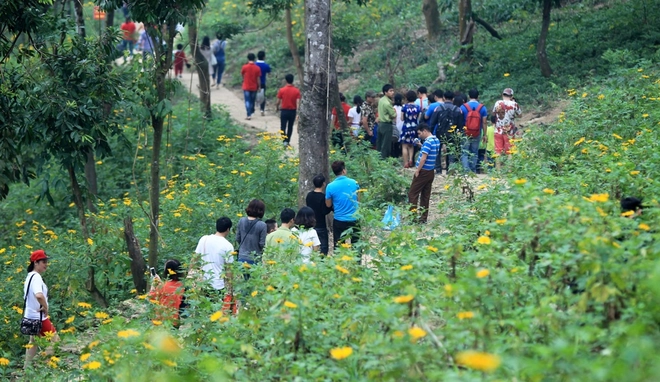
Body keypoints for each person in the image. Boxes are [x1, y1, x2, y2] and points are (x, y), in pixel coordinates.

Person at [23, 250, 59, 368]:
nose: (46, 264)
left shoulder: (29, 277)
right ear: (35, 262)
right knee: (55, 341)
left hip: (29, 316)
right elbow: (39, 295)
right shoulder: (37, 277)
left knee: (33, 342)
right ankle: (45, 366)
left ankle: (26, 369)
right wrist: (45, 307)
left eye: (46, 261)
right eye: (43, 261)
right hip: (39, 317)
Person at [194, 217, 234, 295]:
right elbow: (229, 270)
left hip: (204, 283)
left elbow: (194, 258)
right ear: (228, 229)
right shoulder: (228, 246)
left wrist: (190, 273)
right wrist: (230, 289)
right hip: (218, 285)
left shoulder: (204, 239)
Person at [409, 123, 440, 223]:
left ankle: (412, 217)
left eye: (419, 133)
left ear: (425, 131)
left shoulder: (428, 142)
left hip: (423, 171)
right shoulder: (436, 140)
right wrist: (421, 146)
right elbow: (430, 152)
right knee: (425, 195)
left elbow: (423, 158)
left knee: (413, 193)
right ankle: (423, 218)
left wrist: (417, 170)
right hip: (431, 171)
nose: (419, 136)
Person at [326, 161, 360, 249]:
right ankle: (357, 262)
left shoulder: (330, 186)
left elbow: (328, 204)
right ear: (344, 171)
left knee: (338, 246)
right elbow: (358, 200)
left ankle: (340, 262)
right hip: (354, 219)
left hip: (339, 220)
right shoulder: (354, 183)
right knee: (356, 245)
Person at [429, 90, 463, 174]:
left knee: (438, 151)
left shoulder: (438, 108)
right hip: (452, 133)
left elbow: (432, 123)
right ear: (453, 99)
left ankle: (438, 170)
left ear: (444, 98)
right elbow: (461, 125)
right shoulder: (458, 110)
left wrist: (430, 133)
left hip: (440, 132)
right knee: (451, 151)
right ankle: (450, 169)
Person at [149, 259, 187, 327]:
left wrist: (153, 286)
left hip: (160, 321)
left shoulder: (162, 287)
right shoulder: (183, 287)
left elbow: (151, 298)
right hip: (174, 321)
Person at [492, 88, 522, 170]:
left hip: (498, 130)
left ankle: (498, 170)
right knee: (509, 151)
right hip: (509, 131)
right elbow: (520, 115)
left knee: (498, 151)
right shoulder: (514, 104)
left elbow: (493, 113)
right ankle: (509, 170)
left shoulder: (497, 103)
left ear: (503, 95)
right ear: (512, 96)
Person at [460, 88, 488, 173]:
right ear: (478, 96)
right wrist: (484, 134)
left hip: (465, 132)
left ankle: (465, 170)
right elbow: (484, 122)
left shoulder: (463, 107)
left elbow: (460, 120)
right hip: (477, 132)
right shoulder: (482, 108)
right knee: (474, 152)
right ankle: (473, 170)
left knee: (464, 152)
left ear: (468, 96)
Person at [235, 199, 267, 269]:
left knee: (243, 279)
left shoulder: (241, 221)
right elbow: (262, 243)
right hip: (255, 258)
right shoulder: (262, 225)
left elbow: (237, 238)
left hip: (242, 256)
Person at [306, 174, 332, 255]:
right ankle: (322, 262)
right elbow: (324, 211)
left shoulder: (309, 195)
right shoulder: (323, 197)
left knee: (311, 246)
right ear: (324, 184)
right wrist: (330, 207)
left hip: (310, 224)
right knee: (323, 247)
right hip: (321, 224)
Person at [276, 74, 301, 145]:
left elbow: (278, 101)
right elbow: (298, 102)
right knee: (290, 126)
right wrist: (298, 111)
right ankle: (288, 140)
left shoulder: (282, 90)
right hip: (292, 111)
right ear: (292, 80)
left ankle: (284, 141)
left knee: (283, 126)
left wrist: (277, 107)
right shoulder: (296, 91)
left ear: (286, 80)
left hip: (284, 110)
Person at [400, 90, 421, 168]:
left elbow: (402, 118)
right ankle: (411, 160)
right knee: (411, 145)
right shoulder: (418, 107)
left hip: (406, 127)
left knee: (404, 146)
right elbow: (418, 119)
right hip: (414, 128)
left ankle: (405, 163)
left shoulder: (404, 107)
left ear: (407, 97)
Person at [377, 84, 397, 158]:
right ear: (385, 92)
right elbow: (393, 115)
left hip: (380, 124)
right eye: (390, 91)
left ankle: (378, 159)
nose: (392, 92)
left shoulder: (381, 100)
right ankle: (384, 160)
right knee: (386, 145)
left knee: (379, 143)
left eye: (393, 90)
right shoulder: (387, 103)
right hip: (387, 125)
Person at [241, 53, 262, 120]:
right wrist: (259, 86)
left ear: (248, 58)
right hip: (254, 87)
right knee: (252, 100)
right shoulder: (257, 68)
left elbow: (242, 74)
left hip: (246, 86)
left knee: (247, 100)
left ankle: (248, 114)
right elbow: (258, 78)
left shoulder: (244, 67)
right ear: (254, 58)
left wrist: (244, 80)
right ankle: (251, 110)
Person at [255, 51, 272, 116]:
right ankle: (262, 110)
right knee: (262, 96)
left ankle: (252, 108)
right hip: (262, 83)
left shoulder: (254, 64)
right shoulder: (266, 66)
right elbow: (269, 74)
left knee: (254, 95)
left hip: (254, 83)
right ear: (264, 57)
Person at [392, 93, 403, 158]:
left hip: (395, 127)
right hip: (402, 126)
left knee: (395, 142)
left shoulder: (393, 108)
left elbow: (394, 119)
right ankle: (400, 153)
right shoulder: (403, 108)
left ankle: (395, 155)